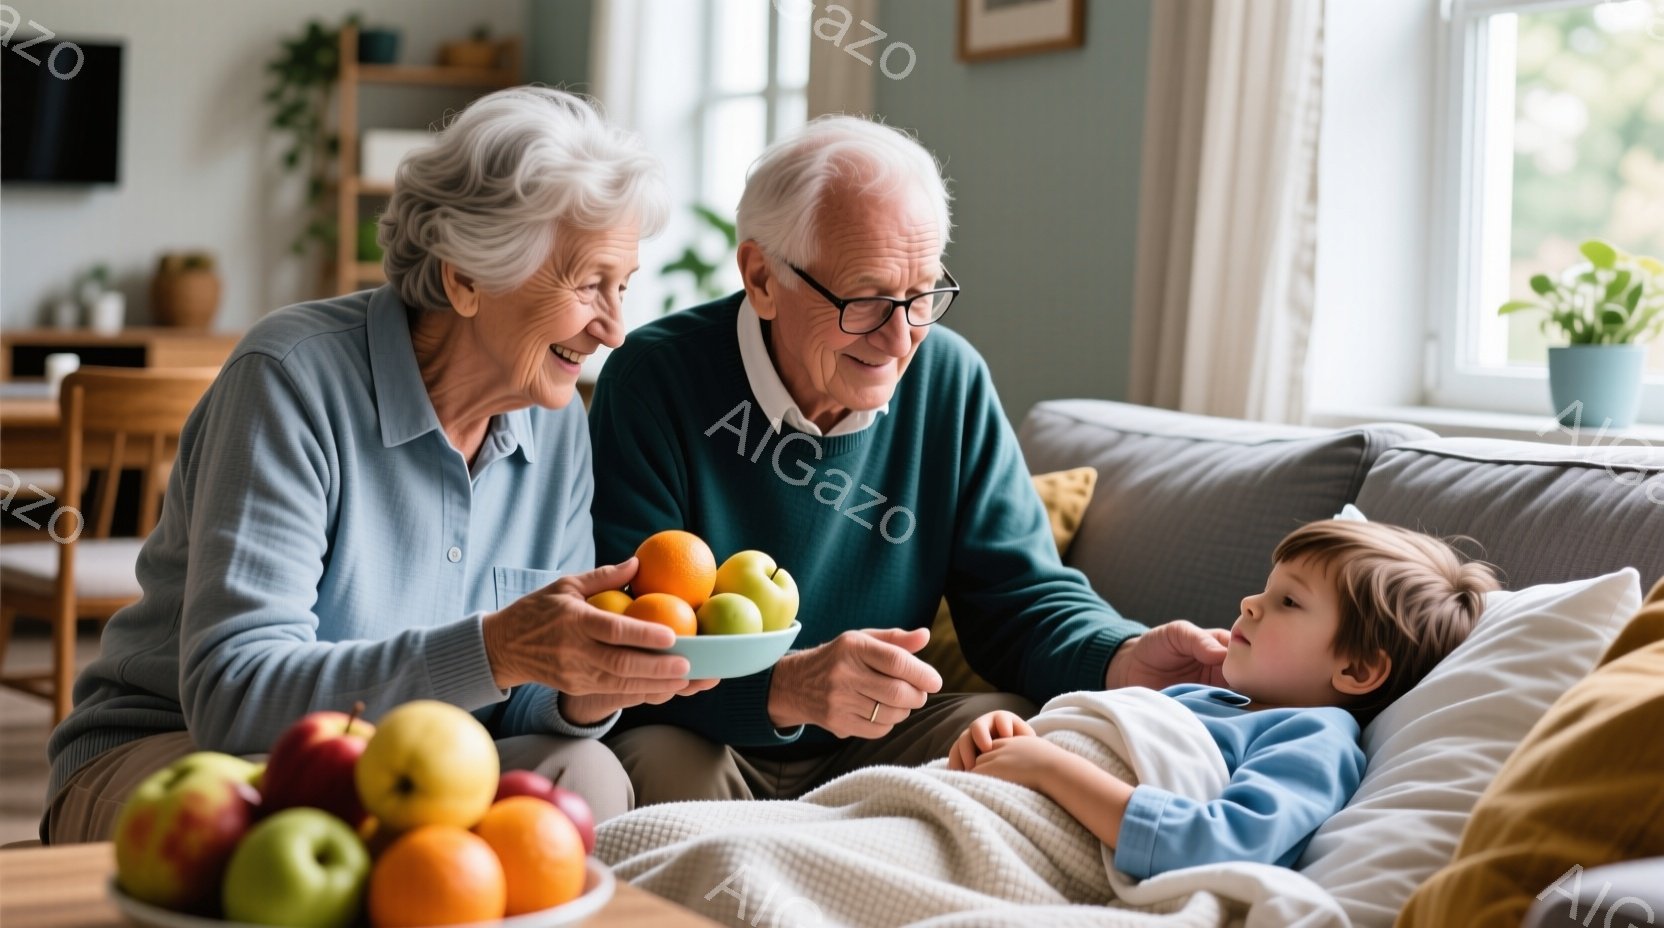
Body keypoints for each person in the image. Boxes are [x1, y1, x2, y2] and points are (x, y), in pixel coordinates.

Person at [42, 88, 715, 844]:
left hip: (406, 765)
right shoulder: (291, 378)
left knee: (584, 775)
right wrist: (495, 648)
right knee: (296, 827)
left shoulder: (553, 423)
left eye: (622, 286)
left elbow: (521, 703)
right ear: (465, 277)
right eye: (590, 283)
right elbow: (236, 700)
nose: (615, 330)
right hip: (186, 753)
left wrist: (588, 683)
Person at [588, 114, 1232, 805]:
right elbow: (625, 637)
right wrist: (784, 686)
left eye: (923, 295)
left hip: (881, 735)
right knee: (655, 761)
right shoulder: (655, 379)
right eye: (866, 300)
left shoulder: (948, 378)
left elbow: (1019, 597)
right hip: (706, 735)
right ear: (763, 277)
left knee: (1017, 729)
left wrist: (1122, 657)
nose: (901, 340)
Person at [949, 519, 1499, 878]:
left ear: (1356, 669)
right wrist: (1018, 737)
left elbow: (1222, 845)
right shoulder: (1198, 698)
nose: (1250, 603)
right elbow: (1093, 739)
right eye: (1266, 588)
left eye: (1288, 601)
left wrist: (1049, 767)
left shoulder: (1314, 739)